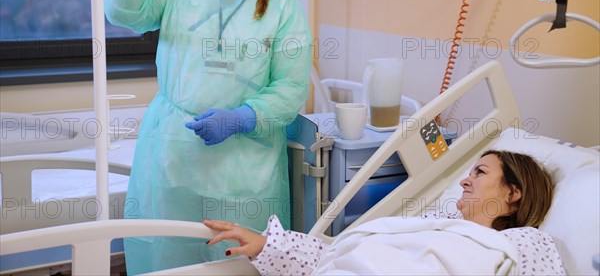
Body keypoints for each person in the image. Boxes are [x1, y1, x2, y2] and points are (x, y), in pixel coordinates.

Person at [104, 0, 312, 274]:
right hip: (172, 157)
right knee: (166, 257)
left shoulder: (284, 9)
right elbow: (125, 13)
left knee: (234, 261)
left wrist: (242, 118)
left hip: (242, 170)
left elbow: (290, 88)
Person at [204, 150, 566, 275]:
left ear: (513, 193)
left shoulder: (524, 242)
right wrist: (267, 245)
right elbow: (340, 253)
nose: (465, 181)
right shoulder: (428, 225)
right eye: (469, 172)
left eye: (480, 172)